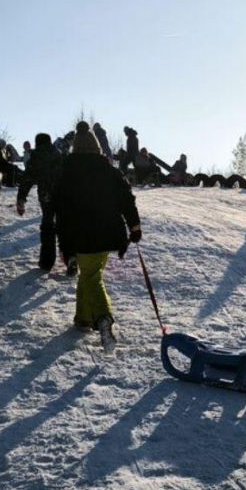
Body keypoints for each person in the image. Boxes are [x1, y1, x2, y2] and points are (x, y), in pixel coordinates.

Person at [52, 122, 141, 345]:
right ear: (96, 146)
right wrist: (134, 226)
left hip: (80, 236)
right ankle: (83, 320)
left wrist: (63, 244)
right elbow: (126, 200)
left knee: (91, 275)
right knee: (89, 273)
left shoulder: (66, 174)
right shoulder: (110, 171)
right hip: (109, 233)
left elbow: (60, 212)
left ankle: (103, 316)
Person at [16, 133, 64, 270]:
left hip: (46, 195)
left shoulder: (36, 156)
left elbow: (27, 179)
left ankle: (47, 261)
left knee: (48, 224)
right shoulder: (59, 154)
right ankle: (69, 255)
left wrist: (21, 199)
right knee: (63, 223)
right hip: (62, 194)